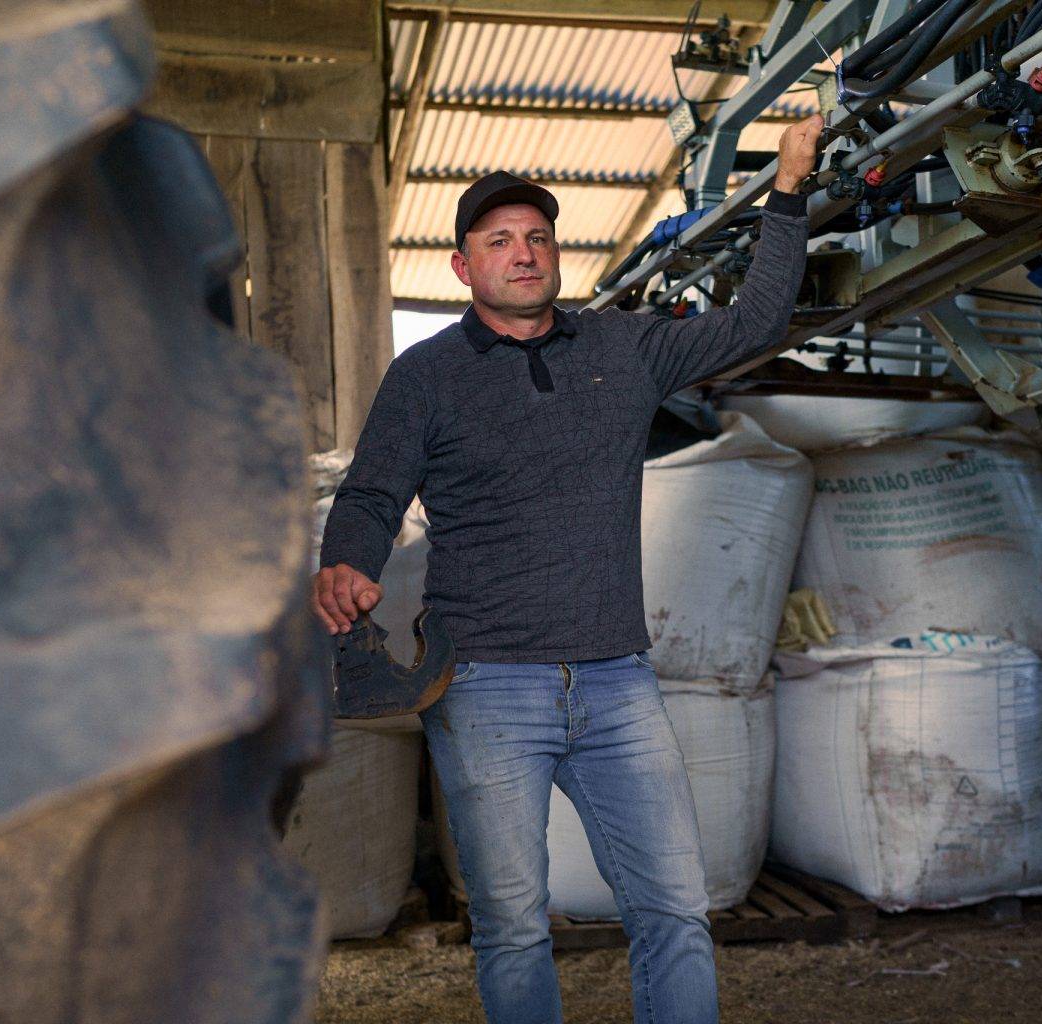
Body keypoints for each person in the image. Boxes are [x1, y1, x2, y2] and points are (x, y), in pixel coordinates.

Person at [312, 113, 822, 1024]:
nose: (524, 252)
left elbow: (759, 320)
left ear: (556, 254)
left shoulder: (623, 349)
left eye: (538, 237)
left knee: (675, 911)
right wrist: (346, 562)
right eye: (499, 240)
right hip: (484, 685)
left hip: (619, 680)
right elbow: (371, 493)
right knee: (513, 924)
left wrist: (788, 188)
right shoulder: (425, 377)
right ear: (462, 267)